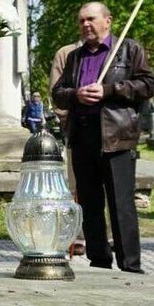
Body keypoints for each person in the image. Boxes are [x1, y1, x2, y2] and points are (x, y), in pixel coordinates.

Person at [51, 1, 154, 273]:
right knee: (90, 202)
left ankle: (130, 264)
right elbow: (57, 93)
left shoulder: (129, 50)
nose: (85, 24)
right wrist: (76, 95)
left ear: (108, 21)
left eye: (91, 19)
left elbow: (147, 84)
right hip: (83, 136)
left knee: (121, 204)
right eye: (81, 20)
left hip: (116, 137)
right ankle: (99, 261)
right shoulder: (75, 56)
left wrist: (110, 90)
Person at [50, 38, 85, 257]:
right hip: (76, 127)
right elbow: (56, 88)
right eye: (83, 20)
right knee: (75, 184)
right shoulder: (67, 53)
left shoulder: (117, 51)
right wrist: (64, 116)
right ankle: (77, 235)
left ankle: (107, 233)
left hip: (110, 128)